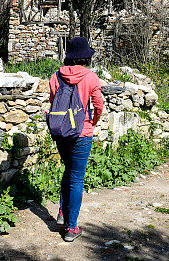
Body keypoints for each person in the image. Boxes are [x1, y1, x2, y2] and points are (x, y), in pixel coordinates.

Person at [48, 36, 103, 242]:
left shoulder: (55, 76)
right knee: (77, 177)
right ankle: (71, 228)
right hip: (82, 132)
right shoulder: (90, 77)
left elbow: (54, 103)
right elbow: (98, 105)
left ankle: (62, 212)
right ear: (85, 57)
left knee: (68, 170)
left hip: (61, 132)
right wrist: (93, 122)